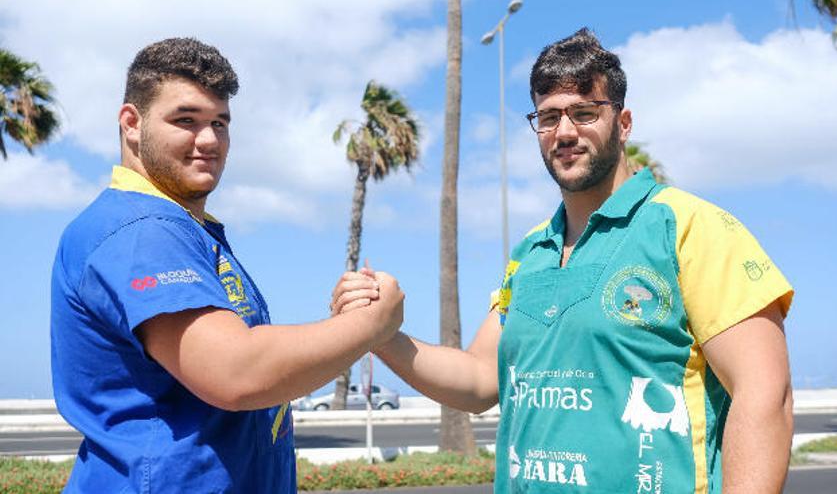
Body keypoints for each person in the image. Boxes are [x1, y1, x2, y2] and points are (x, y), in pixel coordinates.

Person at [333, 28, 794, 493]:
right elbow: (477, 380)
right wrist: (380, 334)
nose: (565, 132)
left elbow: (764, 396)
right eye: (549, 117)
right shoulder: (531, 251)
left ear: (624, 122)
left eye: (585, 112)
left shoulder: (691, 227)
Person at [50, 37, 403, 493]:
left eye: (220, 122)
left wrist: (340, 327)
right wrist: (374, 323)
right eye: (186, 120)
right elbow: (236, 373)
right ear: (131, 123)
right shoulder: (139, 230)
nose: (210, 140)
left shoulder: (185, 230)